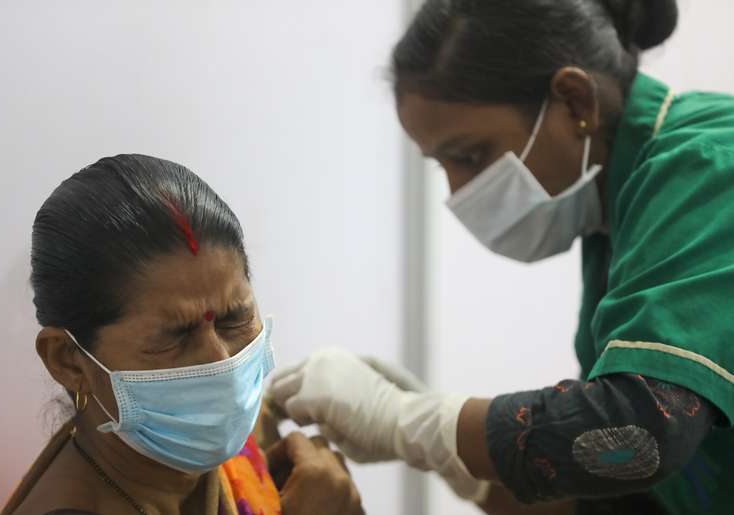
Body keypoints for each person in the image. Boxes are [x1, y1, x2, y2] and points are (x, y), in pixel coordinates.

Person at [268, 1, 734, 514]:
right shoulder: (616, 214)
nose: (457, 192)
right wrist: (450, 460)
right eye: (440, 165)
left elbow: (641, 433)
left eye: (470, 155)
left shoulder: (708, 168)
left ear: (575, 101)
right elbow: (626, 501)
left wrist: (413, 421)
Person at [3, 154, 364, 515]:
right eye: (174, 335)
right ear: (68, 361)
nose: (220, 363)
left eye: (233, 318)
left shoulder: (229, 452)